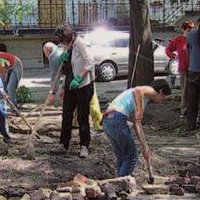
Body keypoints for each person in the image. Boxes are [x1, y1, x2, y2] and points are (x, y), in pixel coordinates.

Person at [102, 80, 172, 177]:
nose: (161, 101)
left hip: (108, 120)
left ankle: (119, 182)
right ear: (160, 91)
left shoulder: (143, 100)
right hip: (117, 119)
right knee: (131, 157)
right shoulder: (150, 90)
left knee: (122, 157)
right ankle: (123, 182)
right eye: (163, 97)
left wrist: (145, 146)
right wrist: (140, 110)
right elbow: (138, 90)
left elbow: (137, 124)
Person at [55, 25, 95, 158]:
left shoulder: (81, 43)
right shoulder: (68, 46)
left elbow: (90, 62)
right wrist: (63, 87)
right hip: (69, 85)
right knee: (66, 115)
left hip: (83, 85)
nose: (61, 42)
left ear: (68, 35)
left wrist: (79, 77)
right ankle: (63, 144)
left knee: (82, 117)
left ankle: (84, 146)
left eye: (62, 39)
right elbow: (67, 68)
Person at [43, 42, 103, 130]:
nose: (46, 56)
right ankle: (75, 122)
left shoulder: (54, 57)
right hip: (78, 74)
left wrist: (52, 93)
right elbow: (65, 73)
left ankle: (98, 125)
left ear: (48, 51)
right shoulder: (61, 50)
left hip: (82, 75)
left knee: (90, 100)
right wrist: (64, 88)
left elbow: (54, 76)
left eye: (45, 53)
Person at [166, 20, 194, 117]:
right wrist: (172, 55)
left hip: (194, 68)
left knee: (194, 89)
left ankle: (194, 109)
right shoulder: (178, 40)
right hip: (184, 68)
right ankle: (184, 109)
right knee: (185, 89)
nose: (190, 31)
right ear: (183, 29)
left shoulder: (194, 39)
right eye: (188, 29)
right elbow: (168, 49)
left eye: (191, 29)